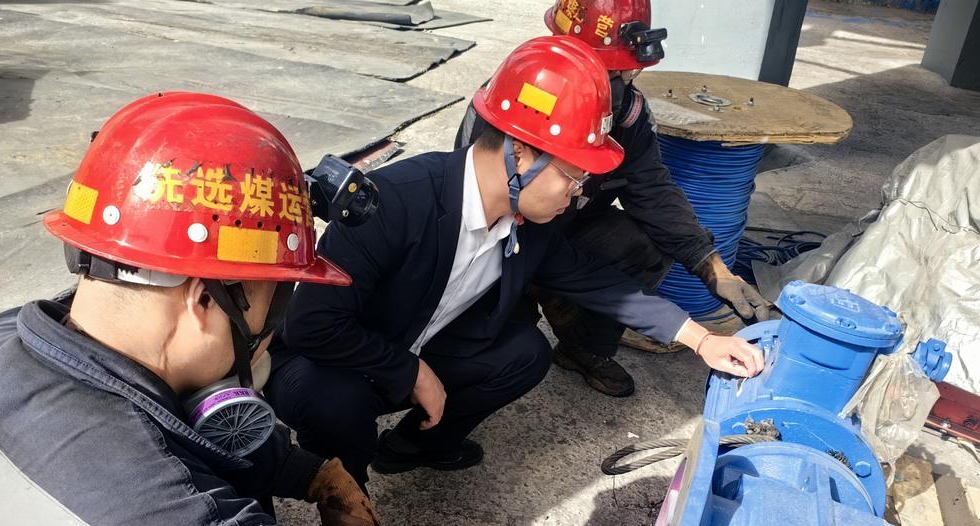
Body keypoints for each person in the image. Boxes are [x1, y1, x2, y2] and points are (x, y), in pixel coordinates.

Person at [0, 91, 615, 526]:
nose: (269, 334)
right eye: (271, 307)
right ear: (204, 299)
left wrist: (317, 476)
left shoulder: (0, 342)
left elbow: (186, 425)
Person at [266, 36, 764, 486]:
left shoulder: (533, 223)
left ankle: (414, 446)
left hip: (415, 343)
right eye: (573, 176)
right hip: (332, 361)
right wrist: (412, 372)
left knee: (524, 352)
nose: (580, 192)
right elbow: (312, 324)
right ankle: (345, 504)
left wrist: (701, 338)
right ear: (522, 154)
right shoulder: (396, 201)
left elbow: (600, 283)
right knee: (334, 404)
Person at [456, 0, 771, 398]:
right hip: (507, 237)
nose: (620, 80)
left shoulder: (627, 115)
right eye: (610, 70)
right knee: (509, 343)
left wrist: (712, 268)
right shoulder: (509, 102)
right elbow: (475, 209)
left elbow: (653, 191)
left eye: (625, 70)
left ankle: (583, 348)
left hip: (567, 231)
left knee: (639, 248)